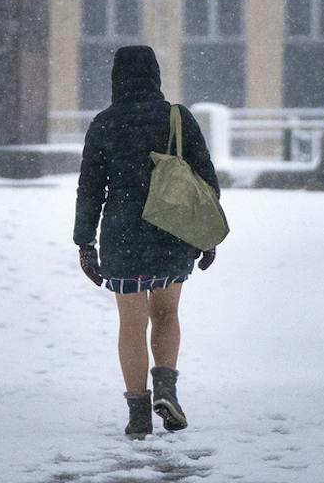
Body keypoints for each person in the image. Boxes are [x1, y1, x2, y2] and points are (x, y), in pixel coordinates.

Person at [73, 44, 221, 438]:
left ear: (116, 78)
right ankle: (167, 389)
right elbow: (205, 179)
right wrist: (206, 235)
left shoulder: (105, 123)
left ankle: (138, 412)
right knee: (168, 313)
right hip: (171, 231)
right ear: (155, 75)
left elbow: (90, 188)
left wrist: (84, 242)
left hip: (122, 235)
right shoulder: (177, 117)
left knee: (131, 324)